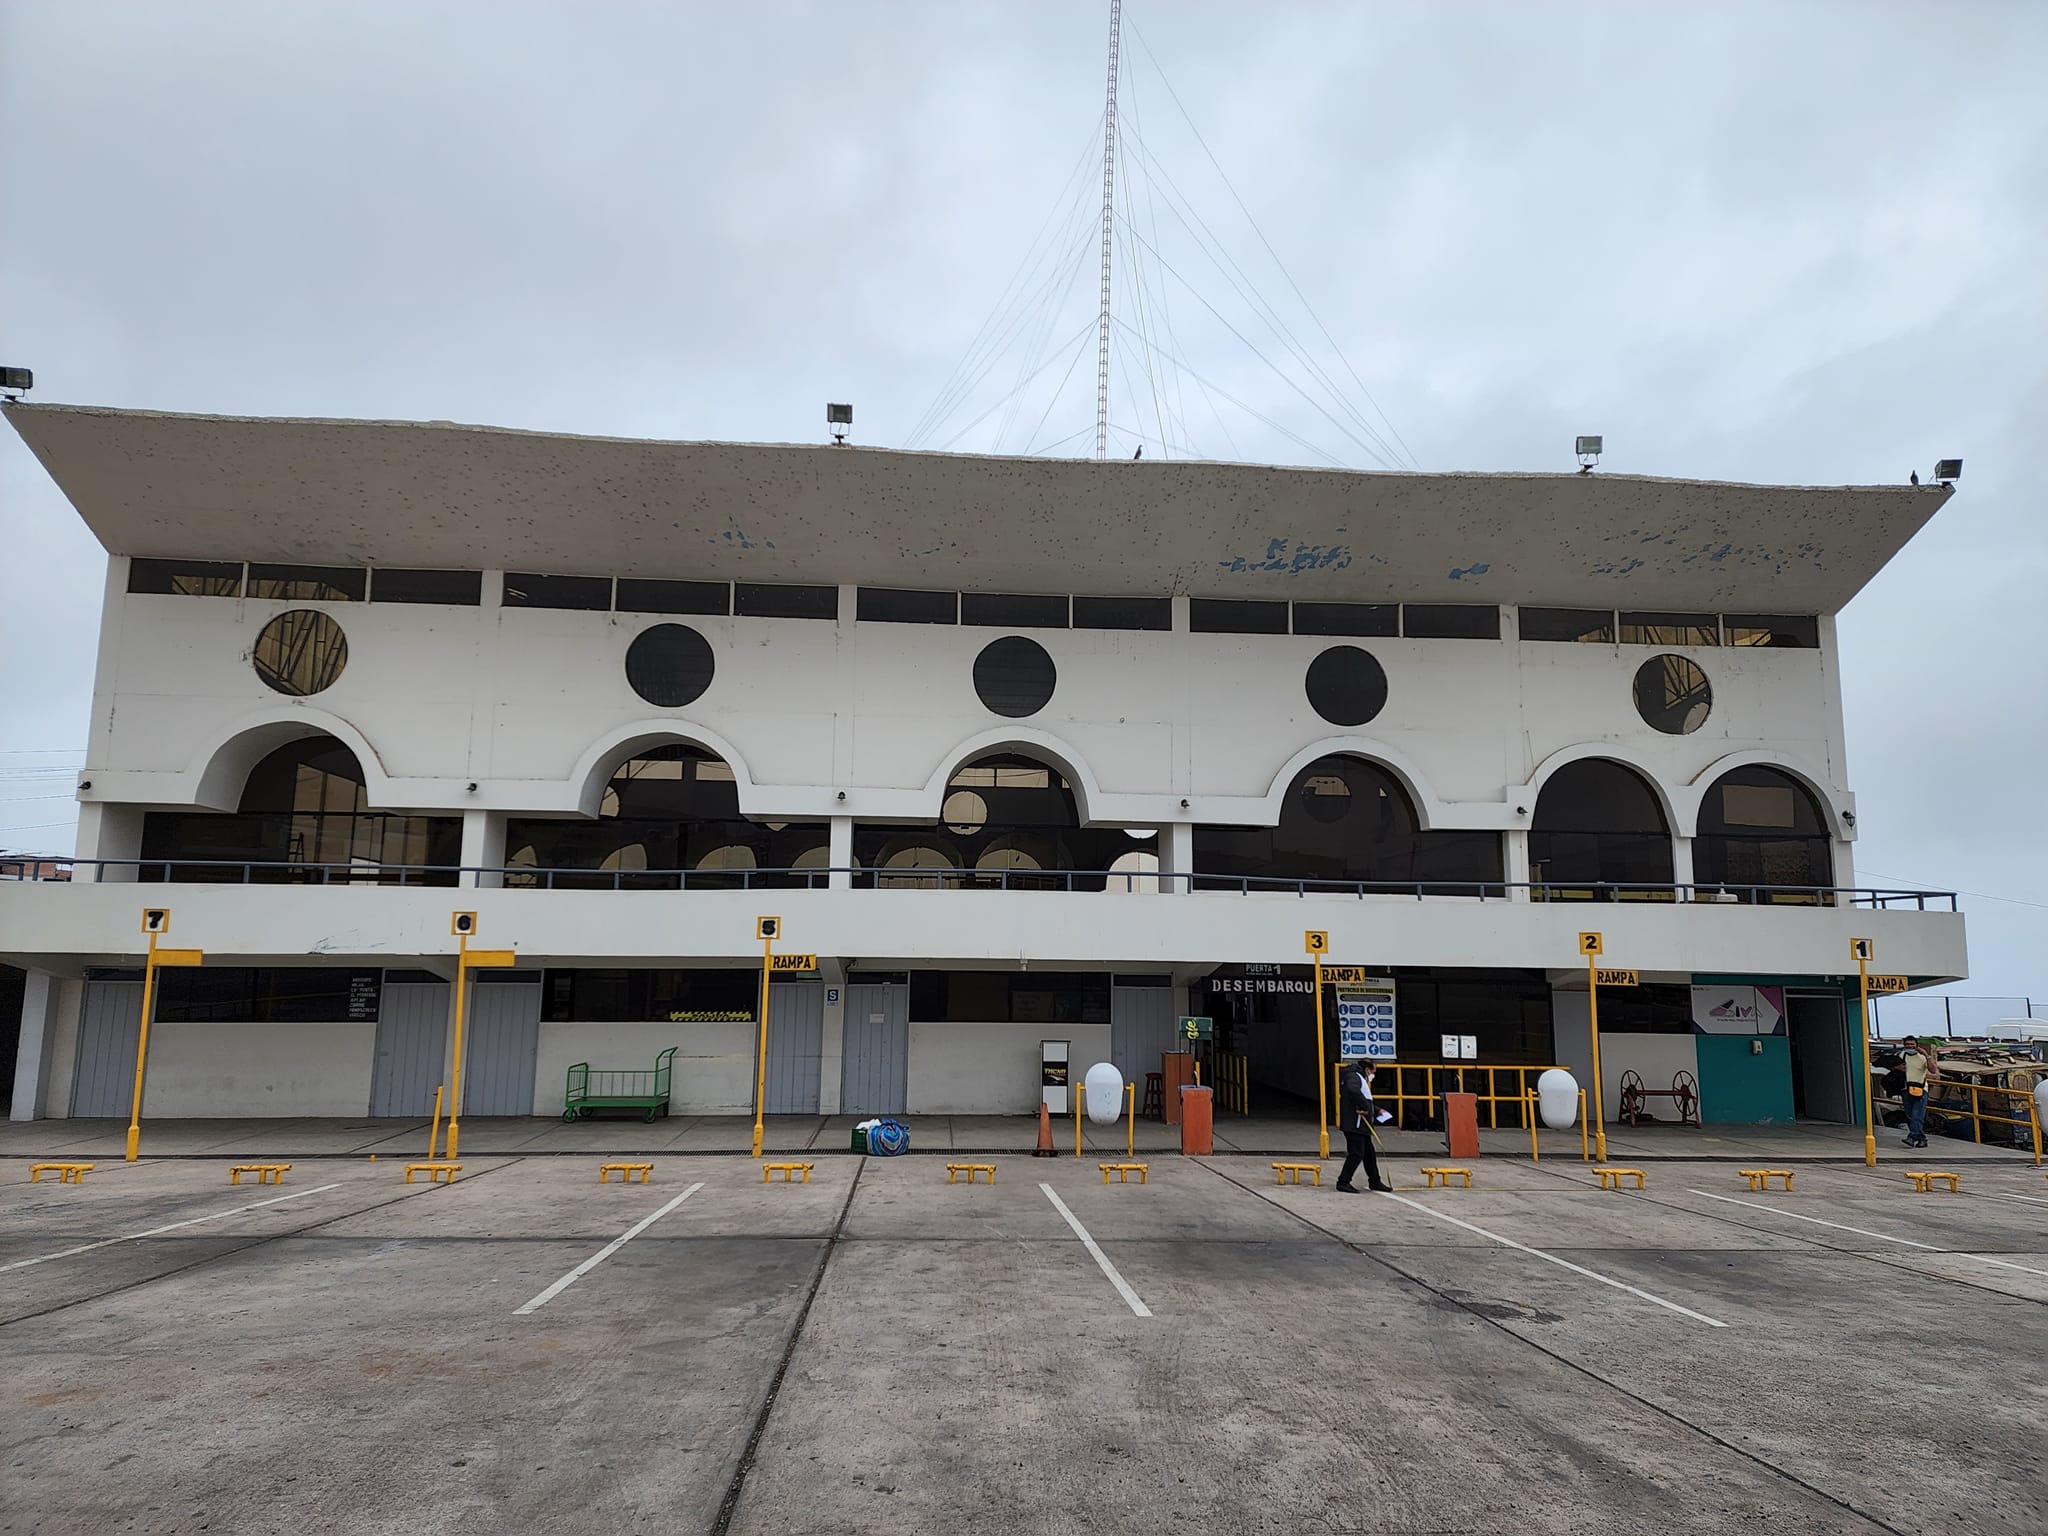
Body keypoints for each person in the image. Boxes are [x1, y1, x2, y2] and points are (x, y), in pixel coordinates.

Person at [1335, 1059, 1392, 1193]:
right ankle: (1343, 1181)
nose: (1373, 1075)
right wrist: (1364, 1107)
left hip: (1361, 1126)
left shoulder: (1358, 1077)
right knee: (1356, 1153)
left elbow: (1364, 1098)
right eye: (1373, 1071)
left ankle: (1375, 1181)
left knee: (1369, 1155)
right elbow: (1353, 1091)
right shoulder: (1354, 1077)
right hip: (1355, 1124)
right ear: (1367, 1070)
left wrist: (1376, 1110)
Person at [1900, 1037, 1938, 1148]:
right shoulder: (1902, 1055)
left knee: (1917, 1114)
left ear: (1917, 1045)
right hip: (1906, 1089)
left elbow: (1933, 1070)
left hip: (1920, 1090)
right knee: (1910, 1115)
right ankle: (1922, 1139)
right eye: (1907, 1044)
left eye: (1912, 1044)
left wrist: (1927, 1055)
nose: (1910, 1046)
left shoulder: (1922, 1057)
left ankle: (1912, 1137)